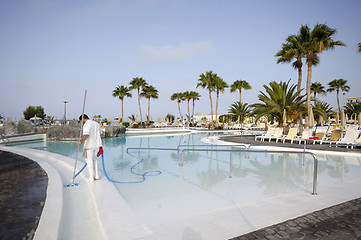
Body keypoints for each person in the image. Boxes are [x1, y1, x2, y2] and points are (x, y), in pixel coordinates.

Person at [77, 114, 103, 182]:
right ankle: (96, 176)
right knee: (95, 160)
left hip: (89, 146)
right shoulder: (97, 124)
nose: (82, 123)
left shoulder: (87, 124)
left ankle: (91, 177)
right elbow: (100, 134)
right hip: (96, 145)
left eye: (81, 121)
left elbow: (86, 134)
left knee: (89, 162)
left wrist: (81, 141)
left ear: (83, 119)